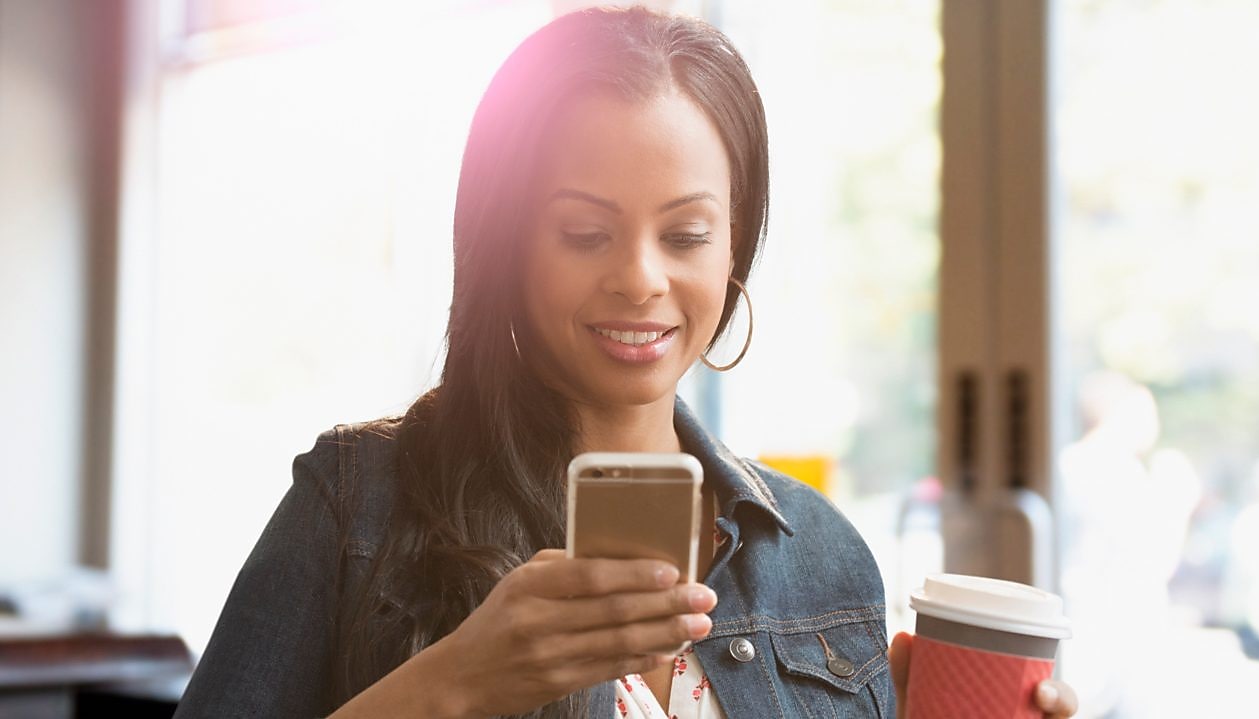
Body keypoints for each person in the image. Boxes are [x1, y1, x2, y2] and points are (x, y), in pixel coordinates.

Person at [174, 7, 1077, 718]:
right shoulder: (353, 505)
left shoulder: (824, 559)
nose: (640, 278)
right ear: (509, 241)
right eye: (585, 232)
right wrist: (447, 688)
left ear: (735, 249)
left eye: (686, 234)